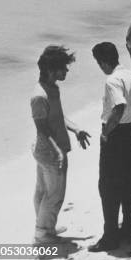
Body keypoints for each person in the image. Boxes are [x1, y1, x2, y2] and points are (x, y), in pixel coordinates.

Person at [89, 42, 131, 252]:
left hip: (116, 135)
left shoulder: (112, 80)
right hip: (130, 132)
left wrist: (106, 132)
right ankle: (130, 228)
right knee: (127, 183)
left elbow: (119, 106)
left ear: (103, 62)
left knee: (107, 187)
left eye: (99, 63)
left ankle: (110, 237)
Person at [31, 46, 91, 244]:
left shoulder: (52, 88)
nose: (66, 71)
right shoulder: (39, 96)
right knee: (54, 194)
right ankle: (42, 234)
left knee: (43, 191)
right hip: (49, 151)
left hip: (50, 150)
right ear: (51, 69)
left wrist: (76, 129)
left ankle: (46, 228)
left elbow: (57, 117)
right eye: (63, 68)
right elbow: (42, 128)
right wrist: (57, 151)